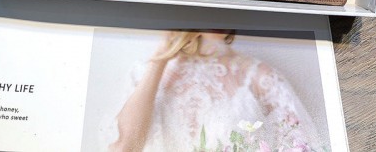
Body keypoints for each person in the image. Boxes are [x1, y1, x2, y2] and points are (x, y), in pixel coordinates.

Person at [107, 30, 326, 152]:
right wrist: (162, 56)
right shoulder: (145, 73)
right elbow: (126, 146)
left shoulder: (258, 76)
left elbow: (302, 145)